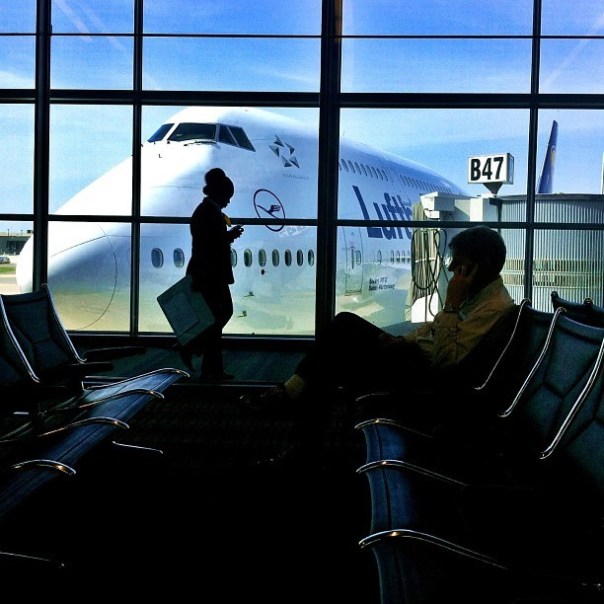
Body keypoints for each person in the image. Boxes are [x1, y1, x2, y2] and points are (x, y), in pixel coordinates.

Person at [239, 225, 517, 440]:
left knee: (334, 355)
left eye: (460, 263)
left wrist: (451, 306)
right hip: (414, 358)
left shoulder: (492, 309)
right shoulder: (478, 296)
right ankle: (302, 419)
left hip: (426, 379)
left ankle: (297, 408)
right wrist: (403, 340)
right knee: (343, 327)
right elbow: (434, 329)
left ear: (483, 265)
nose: (453, 269)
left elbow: (446, 363)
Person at [177, 168, 244, 380]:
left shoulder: (206, 211)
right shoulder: (209, 213)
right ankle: (194, 348)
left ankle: (209, 366)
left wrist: (228, 236)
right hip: (210, 275)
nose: (228, 201)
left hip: (207, 274)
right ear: (219, 192)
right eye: (227, 196)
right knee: (221, 316)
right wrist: (229, 236)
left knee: (215, 320)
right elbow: (211, 245)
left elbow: (209, 241)